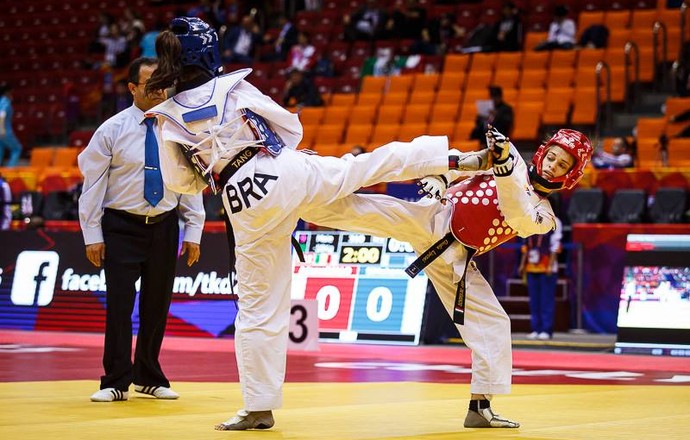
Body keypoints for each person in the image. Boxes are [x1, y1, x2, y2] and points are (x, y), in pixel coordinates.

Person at [143, 17, 477, 430]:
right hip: (284, 170)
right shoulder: (234, 86)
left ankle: (258, 406)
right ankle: (448, 159)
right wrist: (289, 161)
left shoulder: (167, 117)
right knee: (361, 170)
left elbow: (179, 182)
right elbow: (289, 126)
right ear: (209, 52)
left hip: (244, 201)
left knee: (258, 308)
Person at [303, 127, 593, 429]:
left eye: (561, 165)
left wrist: (505, 167)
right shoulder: (513, 160)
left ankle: (480, 406)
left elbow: (517, 213)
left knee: (494, 323)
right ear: (543, 152)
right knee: (364, 210)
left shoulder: (544, 216)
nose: (551, 166)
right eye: (552, 157)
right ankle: (302, 190)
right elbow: (468, 164)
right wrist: (441, 176)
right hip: (435, 218)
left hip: (456, 259)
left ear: (568, 176)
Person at [78, 57, 205, 403]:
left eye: (163, 84)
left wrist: (193, 231)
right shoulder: (111, 130)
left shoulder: (178, 129)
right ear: (133, 88)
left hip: (164, 226)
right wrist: (93, 235)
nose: (159, 91)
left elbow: (190, 181)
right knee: (120, 304)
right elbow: (92, 187)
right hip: (120, 226)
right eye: (150, 84)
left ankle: (149, 375)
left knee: (157, 304)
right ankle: (115, 381)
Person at [518, 196, 563, 340]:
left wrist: (550, 265)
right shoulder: (529, 219)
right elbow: (526, 244)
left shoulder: (556, 222)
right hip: (532, 265)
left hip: (546, 266)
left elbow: (555, 246)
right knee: (534, 300)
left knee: (546, 300)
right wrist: (522, 264)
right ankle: (536, 328)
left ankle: (546, 329)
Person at [0, 85, 23, 167]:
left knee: (1, 149)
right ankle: (10, 170)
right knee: (17, 148)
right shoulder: (5, 102)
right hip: (5, 130)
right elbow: (2, 115)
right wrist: (2, 128)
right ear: (7, 92)